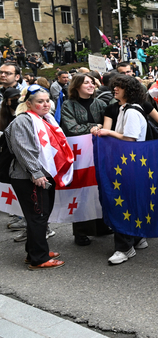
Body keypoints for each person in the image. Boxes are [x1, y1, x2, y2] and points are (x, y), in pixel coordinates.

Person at [5, 84, 73, 269]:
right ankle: (39, 259)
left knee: (40, 215)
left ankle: (34, 251)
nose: (45, 104)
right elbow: (23, 149)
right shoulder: (22, 121)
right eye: (39, 102)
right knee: (37, 216)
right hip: (29, 177)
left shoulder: (46, 119)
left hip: (42, 174)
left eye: (47, 101)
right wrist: (35, 173)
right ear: (28, 103)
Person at [93, 75, 150, 265]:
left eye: (120, 87)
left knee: (122, 204)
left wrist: (108, 132)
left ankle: (124, 247)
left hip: (128, 165)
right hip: (130, 165)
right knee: (131, 203)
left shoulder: (132, 112)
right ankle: (136, 238)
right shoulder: (126, 109)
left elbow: (130, 139)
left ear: (130, 90)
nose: (115, 89)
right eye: (114, 86)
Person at [60, 74, 110, 246]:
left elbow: (110, 125)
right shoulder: (68, 105)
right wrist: (95, 127)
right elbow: (71, 128)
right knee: (81, 189)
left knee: (98, 187)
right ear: (77, 86)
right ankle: (81, 231)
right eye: (86, 83)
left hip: (99, 151)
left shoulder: (101, 104)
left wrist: (100, 127)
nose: (91, 85)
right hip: (79, 154)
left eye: (92, 82)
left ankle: (101, 226)